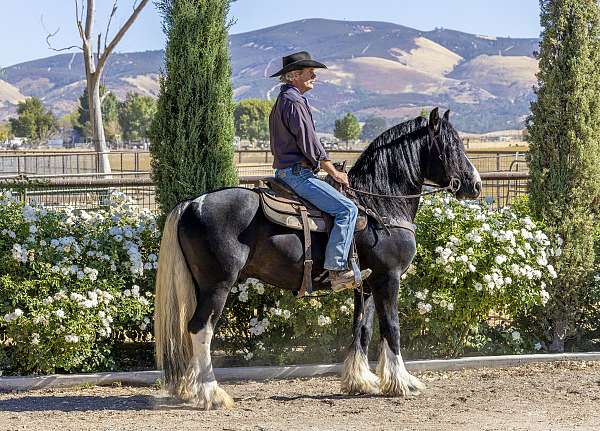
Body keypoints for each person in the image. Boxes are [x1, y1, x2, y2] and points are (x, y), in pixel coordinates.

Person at [268, 51, 371, 291]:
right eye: (309, 71)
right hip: (298, 175)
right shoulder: (293, 101)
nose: (314, 75)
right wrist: (333, 172)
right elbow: (310, 143)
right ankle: (336, 271)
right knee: (347, 209)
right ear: (294, 75)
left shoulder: (286, 100)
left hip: (287, 172)